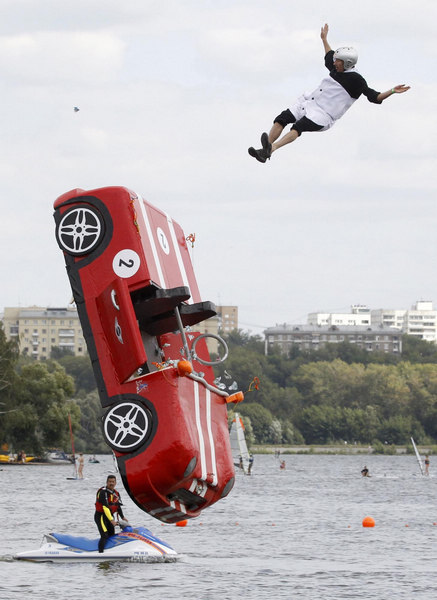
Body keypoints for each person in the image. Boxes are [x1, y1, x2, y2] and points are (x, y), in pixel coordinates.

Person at [248, 23, 410, 163]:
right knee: (281, 119)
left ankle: (272, 148)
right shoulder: (336, 65)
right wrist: (324, 39)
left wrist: (393, 91)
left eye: (337, 61)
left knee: (297, 127)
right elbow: (328, 55)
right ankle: (265, 150)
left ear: (347, 63)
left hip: (323, 115)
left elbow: (375, 97)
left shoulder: (356, 81)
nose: (334, 63)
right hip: (309, 102)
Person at [94, 475, 128, 553]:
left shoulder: (116, 493)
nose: (111, 483)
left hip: (109, 517)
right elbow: (105, 507)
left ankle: (110, 552)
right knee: (104, 535)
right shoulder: (103, 492)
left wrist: (122, 517)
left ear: (115, 483)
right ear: (107, 482)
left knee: (112, 535)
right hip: (101, 516)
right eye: (110, 482)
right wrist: (112, 520)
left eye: (113, 482)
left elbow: (118, 507)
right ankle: (100, 553)